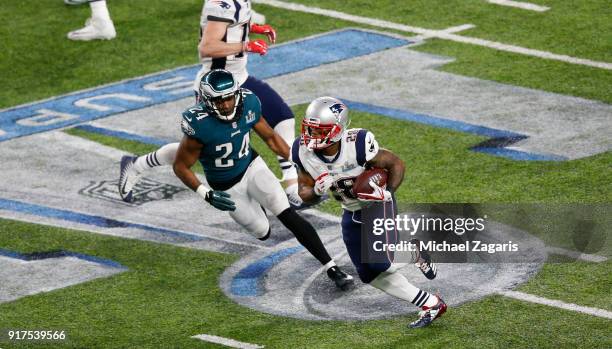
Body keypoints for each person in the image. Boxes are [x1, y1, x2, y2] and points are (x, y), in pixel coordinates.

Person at [169, 69, 353, 290]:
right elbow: (180, 166)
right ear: (207, 101)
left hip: (252, 166)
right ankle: (257, 203)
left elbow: (271, 138)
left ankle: (332, 268)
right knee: (262, 232)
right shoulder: (198, 123)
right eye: (219, 100)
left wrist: (303, 164)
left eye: (229, 97)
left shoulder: (248, 103)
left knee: (286, 213)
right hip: (226, 185)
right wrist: (205, 193)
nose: (226, 105)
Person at [118, 0, 304, 207]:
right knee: (202, 147)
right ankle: (137, 164)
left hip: (239, 79)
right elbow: (207, 46)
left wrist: (253, 28)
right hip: (215, 89)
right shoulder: (223, 3)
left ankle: (291, 184)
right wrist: (246, 45)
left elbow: (230, 26)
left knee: (282, 117)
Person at [292, 96, 446, 328]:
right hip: (350, 210)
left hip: (376, 204)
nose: (311, 136)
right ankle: (431, 304)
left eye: (318, 130)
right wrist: (315, 188)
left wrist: (388, 195)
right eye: (310, 129)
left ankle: (414, 252)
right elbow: (303, 192)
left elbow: (395, 164)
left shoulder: (358, 143)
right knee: (369, 274)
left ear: (336, 130)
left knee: (379, 262)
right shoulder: (302, 151)